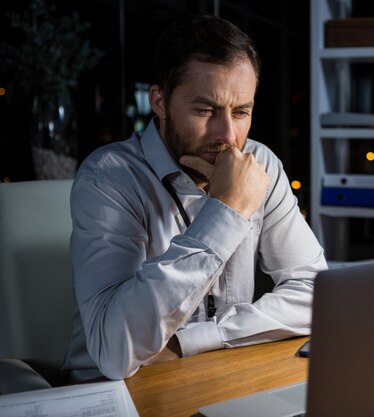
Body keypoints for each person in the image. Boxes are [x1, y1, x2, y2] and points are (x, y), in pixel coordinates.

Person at [62, 14, 327, 382]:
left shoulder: (261, 163)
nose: (228, 135)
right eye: (205, 111)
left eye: (241, 112)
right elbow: (114, 350)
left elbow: (318, 295)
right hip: (110, 392)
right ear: (159, 101)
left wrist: (194, 341)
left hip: (213, 371)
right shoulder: (107, 178)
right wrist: (227, 210)